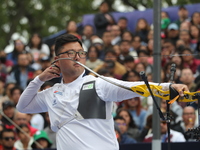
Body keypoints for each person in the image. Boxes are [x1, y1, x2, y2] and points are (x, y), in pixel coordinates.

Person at [17, 34, 189, 150]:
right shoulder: (51, 92)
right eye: (70, 53)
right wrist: (39, 79)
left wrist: (168, 87)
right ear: (57, 59)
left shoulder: (97, 84)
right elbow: (23, 106)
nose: (77, 57)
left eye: (80, 53)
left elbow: (134, 87)